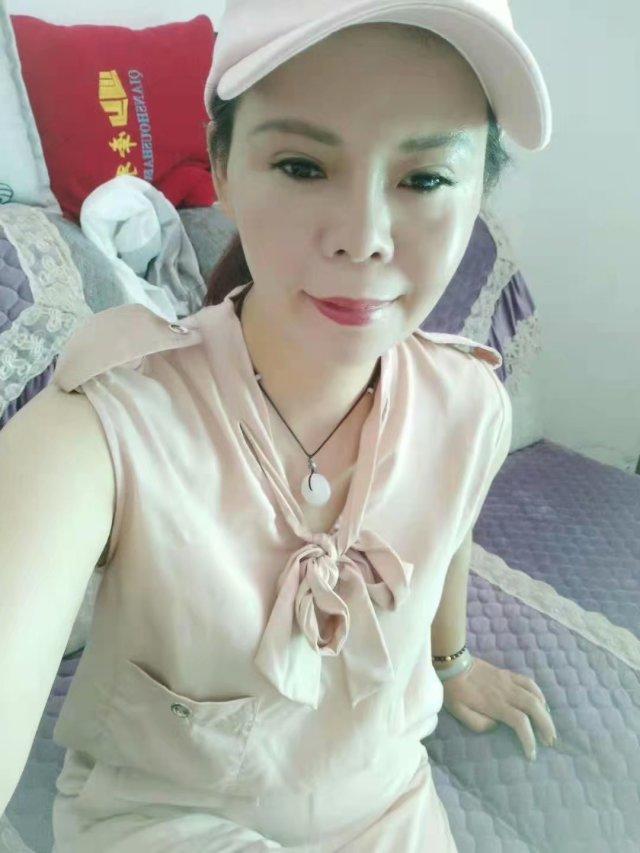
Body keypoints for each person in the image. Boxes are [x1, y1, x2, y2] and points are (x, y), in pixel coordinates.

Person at [1, 1, 554, 850]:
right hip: (166, 821)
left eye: (424, 180)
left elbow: (451, 529)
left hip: (388, 805)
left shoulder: (473, 402)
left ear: (480, 185)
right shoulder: (105, 426)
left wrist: (454, 661)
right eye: (302, 165)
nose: (363, 239)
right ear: (222, 167)